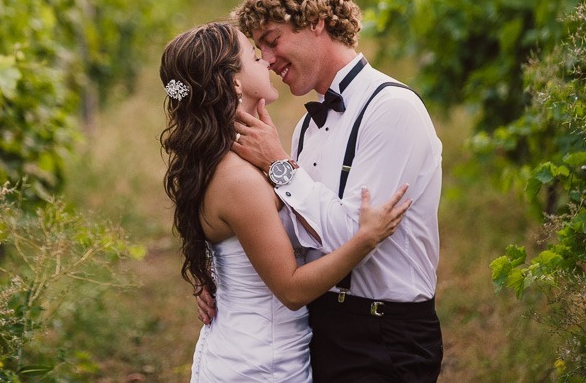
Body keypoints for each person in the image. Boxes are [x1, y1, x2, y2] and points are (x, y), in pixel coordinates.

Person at [199, 0, 444, 382]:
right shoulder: (305, 129)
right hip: (324, 327)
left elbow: (352, 235)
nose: (269, 61)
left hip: (385, 334)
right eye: (259, 49)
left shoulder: (392, 110)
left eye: (273, 41)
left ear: (316, 22)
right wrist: (217, 272)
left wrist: (279, 166)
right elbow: (296, 235)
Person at [160, 21, 412, 381]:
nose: (265, 60)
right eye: (252, 54)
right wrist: (364, 240)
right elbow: (292, 290)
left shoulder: (232, 158)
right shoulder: (238, 178)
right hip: (259, 364)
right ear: (234, 82)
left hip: (264, 351)